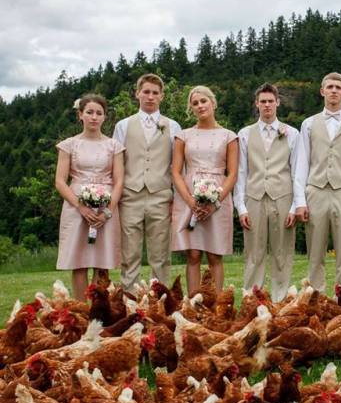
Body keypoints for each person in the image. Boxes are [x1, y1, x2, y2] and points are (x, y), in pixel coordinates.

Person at [294, 72, 341, 293]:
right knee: (314, 254)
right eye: (330, 87)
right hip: (315, 191)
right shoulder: (308, 124)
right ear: (322, 91)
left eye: (338, 87)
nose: (334, 90)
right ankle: (315, 302)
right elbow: (301, 164)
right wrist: (300, 200)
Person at [113, 73, 181, 292]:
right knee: (129, 254)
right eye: (146, 92)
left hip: (161, 196)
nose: (150, 97)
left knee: (160, 256)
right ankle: (129, 302)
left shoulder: (173, 126)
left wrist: (175, 198)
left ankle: (159, 301)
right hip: (130, 196)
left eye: (155, 93)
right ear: (137, 94)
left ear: (161, 96)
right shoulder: (123, 126)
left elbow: (177, 166)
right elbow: (117, 163)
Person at [234, 83, 300, 302]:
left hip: (283, 197)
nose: (267, 105)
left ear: (278, 102)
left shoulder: (292, 134)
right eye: (263, 101)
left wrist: (295, 206)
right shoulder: (244, 134)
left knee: (282, 253)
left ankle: (280, 301)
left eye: (271, 101)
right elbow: (241, 172)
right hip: (253, 198)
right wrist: (241, 206)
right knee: (254, 253)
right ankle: (251, 300)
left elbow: (297, 172)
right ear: (257, 104)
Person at [55, 95, 124, 300]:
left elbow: (119, 181)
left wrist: (108, 211)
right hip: (76, 206)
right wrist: (80, 207)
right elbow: (60, 181)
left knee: (103, 262)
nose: (94, 117)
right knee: (79, 261)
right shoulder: (69, 145)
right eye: (89, 112)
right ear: (80, 115)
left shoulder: (114, 146)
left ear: (104, 117)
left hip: (106, 206)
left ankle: (99, 309)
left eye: (99, 113)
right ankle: (81, 308)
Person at [171, 86, 238, 294]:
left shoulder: (229, 136)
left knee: (214, 255)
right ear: (191, 108)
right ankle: (193, 303)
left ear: (213, 103)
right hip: (189, 195)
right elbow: (175, 172)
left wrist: (215, 201)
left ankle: (218, 304)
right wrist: (191, 202)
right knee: (193, 255)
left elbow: (233, 173)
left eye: (203, 101)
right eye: (195, 103)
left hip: (218, 197)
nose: (200, 106)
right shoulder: (183, 136)